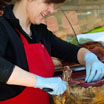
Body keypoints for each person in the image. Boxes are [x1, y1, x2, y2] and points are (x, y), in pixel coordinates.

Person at [0, 0, 104, 104]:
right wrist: (39, 82)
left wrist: (89, 57)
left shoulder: (39, 31)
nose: (52, 10)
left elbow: (69, 50)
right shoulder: (2, 26)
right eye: (47, 2)